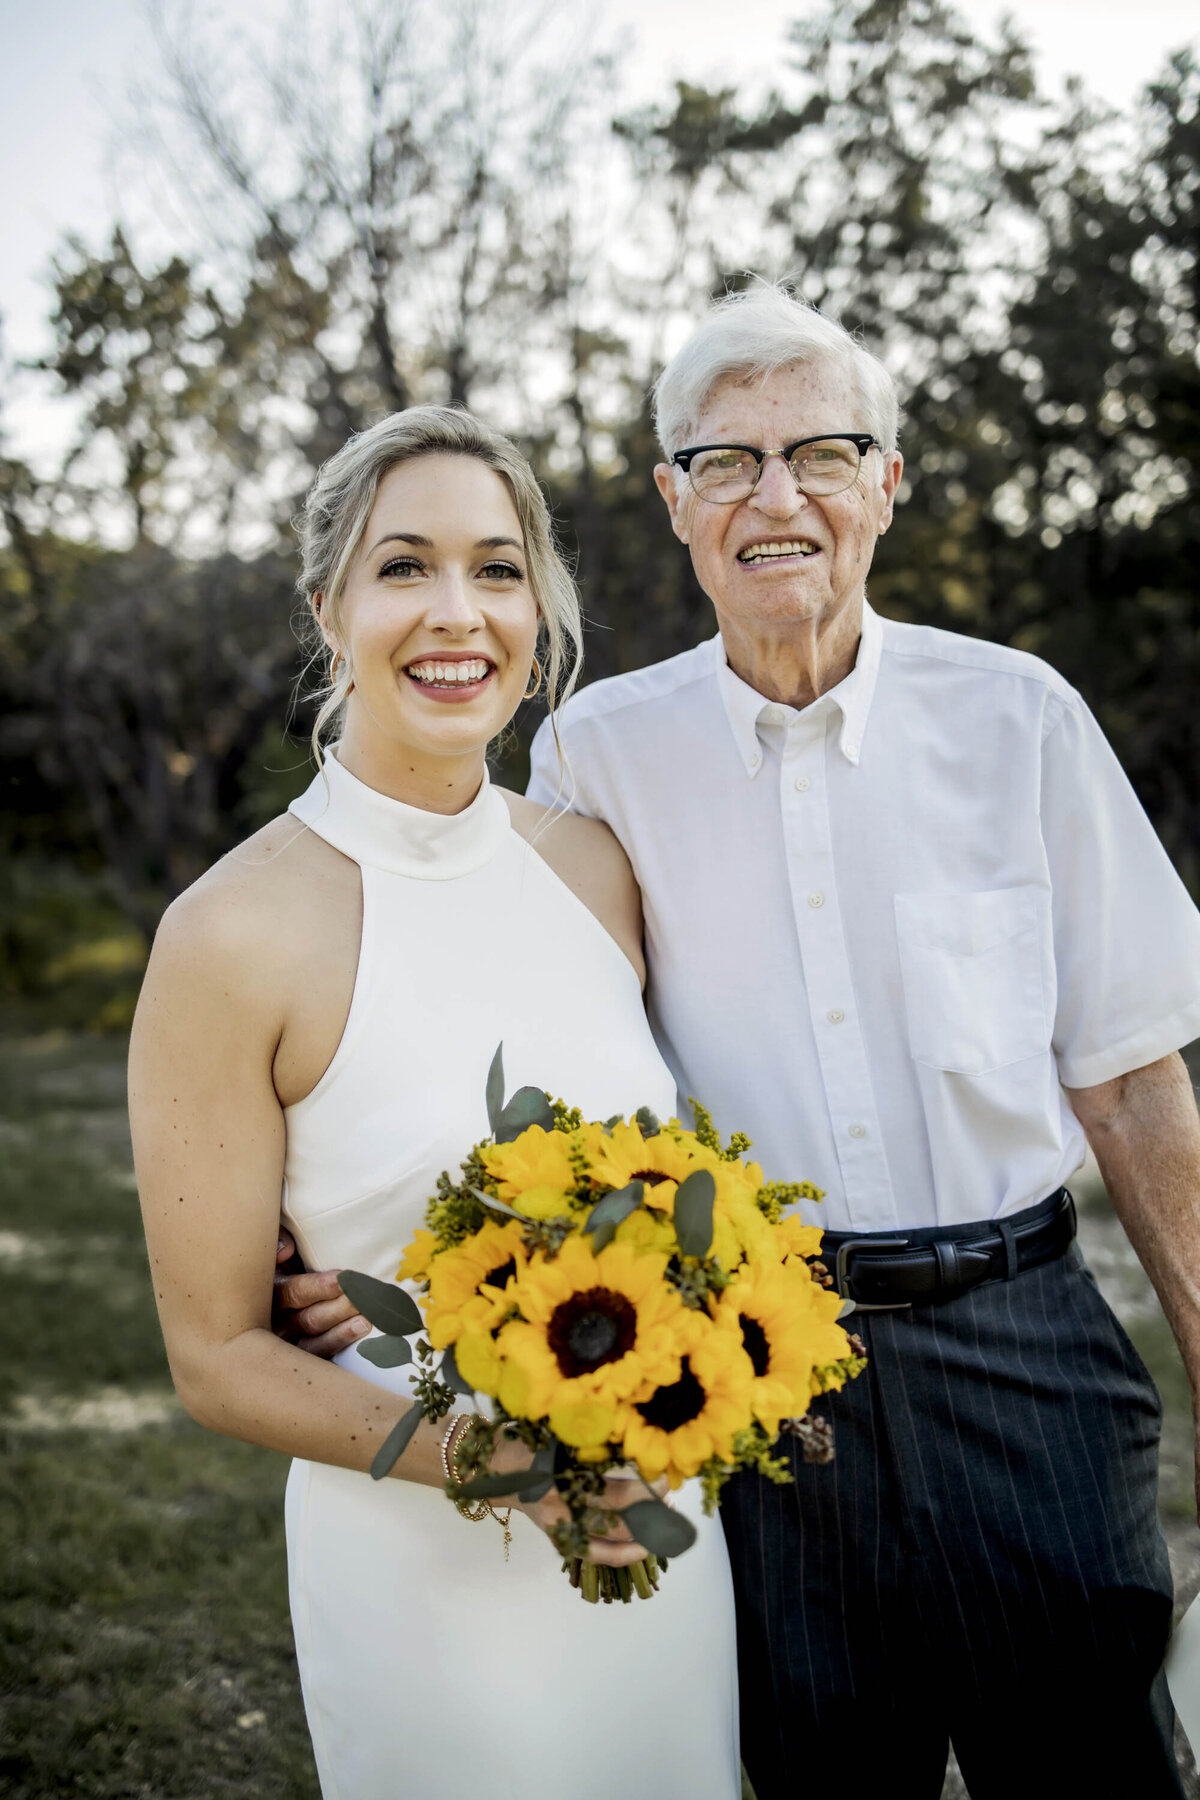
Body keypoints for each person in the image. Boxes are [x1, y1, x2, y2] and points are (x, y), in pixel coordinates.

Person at [281, 289, 1200, 1799]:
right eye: (727, 463)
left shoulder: (1020, 719)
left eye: (821, 453)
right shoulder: (593, 758)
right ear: (676, 505)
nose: (776, 498)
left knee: (1094, 1764)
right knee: (814, 1771)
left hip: (1024, 1353)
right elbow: (492, 1011)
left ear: (886, 483)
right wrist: (303, 1225)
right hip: (745, 1379)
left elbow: (1131, 1076)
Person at [128, 406, 741, 1800]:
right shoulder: (230, 935)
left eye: (499, 567)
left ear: (540, 606)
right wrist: (521, 1465)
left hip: (662, 1526)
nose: (457, 614)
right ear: (329, 604)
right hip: (423, 1564)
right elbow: (215, 1354)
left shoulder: (595, 871)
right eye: (404, 567)